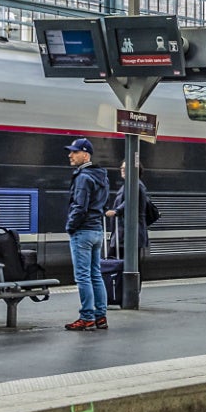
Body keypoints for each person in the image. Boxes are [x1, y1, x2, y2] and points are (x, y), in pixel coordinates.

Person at [64, 137, 110, 331]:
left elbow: (79, 206)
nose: (70, 155)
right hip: (96, 230)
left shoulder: (83, 177)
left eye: (74, 152)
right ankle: (100, 316)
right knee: (95, 275)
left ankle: (87, 317)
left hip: (82, 231)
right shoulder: (101, 176)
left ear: (86, 155)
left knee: (83, 276)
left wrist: (70, 226)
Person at [105, 161, 154, 263]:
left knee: (124, 263)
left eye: (125, 168)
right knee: (125, 263)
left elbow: (130, 201)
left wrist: (116, 211)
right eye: (121, 167)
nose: (122, 170)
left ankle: (129, 279)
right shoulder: (129, 184)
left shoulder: (136, 184)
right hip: (123, 233)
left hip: (129, 233)